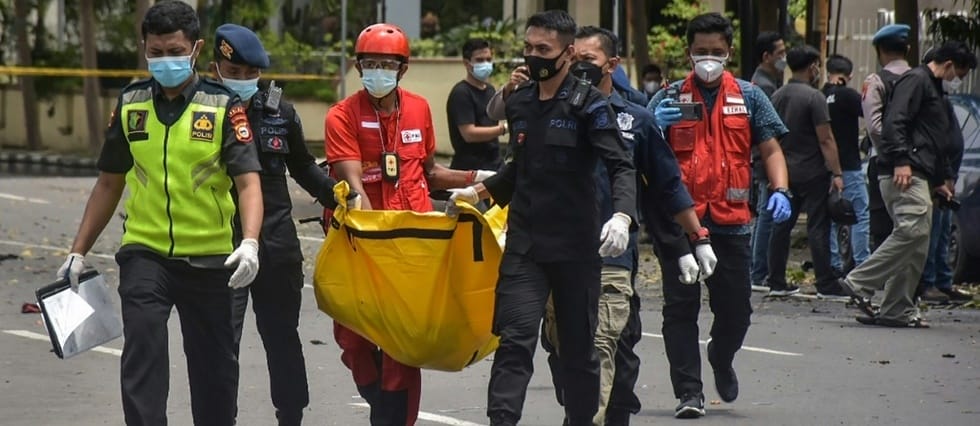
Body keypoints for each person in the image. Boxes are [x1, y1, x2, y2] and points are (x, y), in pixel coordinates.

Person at [55, 2, 264, 424]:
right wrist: (77, 252)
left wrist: (249, 243)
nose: (165, 60)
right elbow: (109, 183)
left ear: (196, 49)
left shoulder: (222, 106)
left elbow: (248, 183)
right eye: (156, 52)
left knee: (215, 371)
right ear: (144, 49)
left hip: (210, 259)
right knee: (142, 355)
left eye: (175, 51)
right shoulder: (131, 103)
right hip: (145, 254)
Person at [446, 10, 638, 426]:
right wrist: (477, 193)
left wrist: (622, 216)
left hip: (575, 249)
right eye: (528, 47)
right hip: (526, 246)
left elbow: (620, 165)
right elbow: (518, 169)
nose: (533, 56)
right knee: (514, 341)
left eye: (543, 49)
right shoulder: (521, 103)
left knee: (578, 351)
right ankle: (502, 420)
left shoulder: (591, 105)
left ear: (568, 54)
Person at [535, 26, 717, 426]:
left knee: (608, 346)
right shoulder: (549, 113)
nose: (578, 67)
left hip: (612, 257)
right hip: (557, 255)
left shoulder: (636, 120)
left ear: (611, 65)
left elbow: (667, 186)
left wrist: (695, 238)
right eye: (573, 59)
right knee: (564, 352)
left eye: (588, 60)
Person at [323, 22, 493, 425]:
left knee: (403, 343)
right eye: (370, 63)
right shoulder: (341, 116)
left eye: (387, 64)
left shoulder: (418, 108)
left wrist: (477, 178)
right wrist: (373, 242)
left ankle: (394, 419)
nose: (378, 71)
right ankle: (382, 406)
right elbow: (353, 184)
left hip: (413, 244)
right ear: (357, 66)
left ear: (402, 68)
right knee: (354, 340)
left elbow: (429, 173)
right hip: (362, 243)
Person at [648, 12, 791, 418]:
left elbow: (771, 148)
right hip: (680, 223)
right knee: (680, 309)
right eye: (701, 51)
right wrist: (653, 126)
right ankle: (688, 393)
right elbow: (639, 146)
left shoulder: (750, 96)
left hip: (731, 224)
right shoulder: (668, 98)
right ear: (688, 53)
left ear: (728, 52)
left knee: (736, 310)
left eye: (716, 51)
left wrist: (780, 189)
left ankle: (721, 356)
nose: (708, 58)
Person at [209, 24, 342, 426]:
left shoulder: (278, 110)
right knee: (221, 342)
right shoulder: (203, 109)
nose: (244, 80)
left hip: (277, 244)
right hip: (223, 243)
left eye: (251, 73)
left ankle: (291, 415)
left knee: (282, 336)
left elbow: (301, 164)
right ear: (215, 68)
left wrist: (336, 196)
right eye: (234, 73)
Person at [841, 41, 977, 328]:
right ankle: (859, 281)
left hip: (920, 173)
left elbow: (934, 139)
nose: (957, 80)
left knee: (917, 244)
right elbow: (894, 123)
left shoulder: (933, 89)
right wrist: (901, 160)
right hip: (904, 172)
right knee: (912, 231)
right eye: (959, 73)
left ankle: (896, 308)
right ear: (948, 64)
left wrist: (939, 179)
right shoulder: (916, 81)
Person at [767, 46, 847, 298]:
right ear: (813, 66)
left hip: (784, 171)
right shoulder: (814, 98)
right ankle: (825, 282)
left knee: (781, 226)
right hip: (812, 171)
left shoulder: (777, 96)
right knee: (817, 227)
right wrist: (837, 173)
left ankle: (776, 280)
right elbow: (826, 138)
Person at [862, 24, 912, 251]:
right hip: (917, 164)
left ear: (880, 51)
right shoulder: (920, 79)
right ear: (907, 49)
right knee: (910, 226)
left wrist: (890, 150)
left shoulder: (876, 81)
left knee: (883, 227)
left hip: (883, 164)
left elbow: (874, 127)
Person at [918, 90, 971, 303]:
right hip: (938, 176)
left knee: (943, 232)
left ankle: (942, 281)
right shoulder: (931, 103)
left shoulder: (944, 102)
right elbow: (940, 143)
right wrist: (945, 175)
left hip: (948, 176)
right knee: (935, 231)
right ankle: (928, 282)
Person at [823, 54, 871, 275]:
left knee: (831, 217)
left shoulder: (820, 95)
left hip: (824, 166)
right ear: (849, 75)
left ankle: (833, 264)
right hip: (849, 165)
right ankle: (863, 266)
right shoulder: (848, 96)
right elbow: (871, 113)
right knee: (860, 213)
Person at [748, 30, 786, 292]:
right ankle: (758, 270)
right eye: (780, 53)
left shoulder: (767, 81)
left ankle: (757, 269)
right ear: (766, 56)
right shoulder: (763, 86)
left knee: (765, 214)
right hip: (763, 158)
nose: (784, 57)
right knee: (766, 215)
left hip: (762, 157)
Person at [446, 38, 506, 172]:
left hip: (494, 164)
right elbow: (469, 134)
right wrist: (503, 129)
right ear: (467, 63)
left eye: (488, 59)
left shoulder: (490, 90)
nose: (486, 64)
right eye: (480, 60)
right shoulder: (461, 93)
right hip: (470, 169)